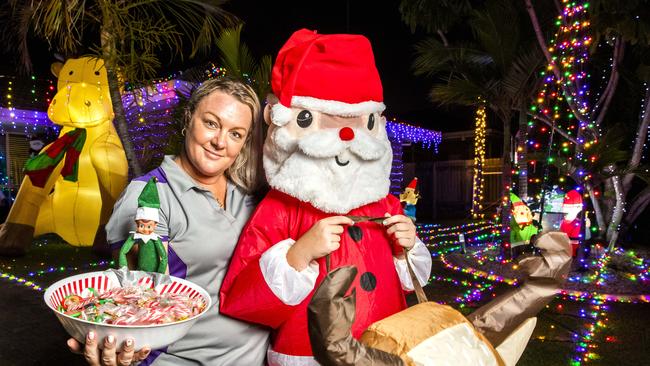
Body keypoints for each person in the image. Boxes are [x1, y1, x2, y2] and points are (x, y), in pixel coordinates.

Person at [219, 29, 432, 365]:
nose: (345, 136)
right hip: (307, 352)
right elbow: (242, 298)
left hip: (385, 345)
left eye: (357, 123)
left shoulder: (385, 204)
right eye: (323, 122)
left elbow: (410, 282)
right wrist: (299, 254)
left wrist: (409, 247)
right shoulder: (280, 208)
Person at [67, 77, 270, 366]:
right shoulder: (149, 196)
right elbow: (134, 297)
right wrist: (111, 341)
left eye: (236, 134)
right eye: (211, 123)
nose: (220, 142)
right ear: (188, 119)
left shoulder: (246, 193)